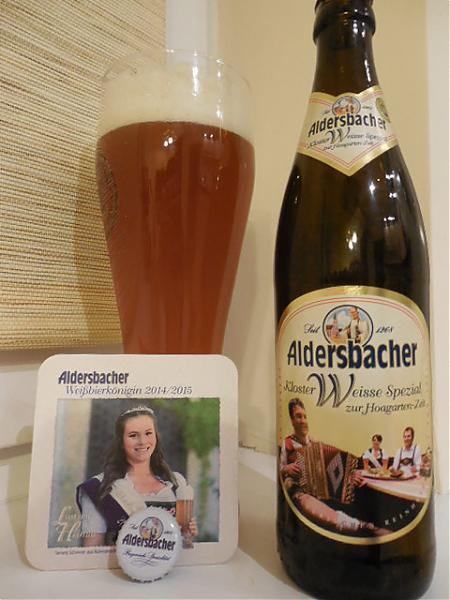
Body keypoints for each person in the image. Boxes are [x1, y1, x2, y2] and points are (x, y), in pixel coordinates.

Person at [76, 405, 197, 546]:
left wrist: (187, 535)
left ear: (156, 436)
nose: (142, 441)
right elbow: (92, 551)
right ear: (121, 442)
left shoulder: (176, 482)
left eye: (148, 433)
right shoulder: (100, 487)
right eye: (133, 435)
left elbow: (182, 545)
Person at [280, 398, 389, 536]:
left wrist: (350, 474)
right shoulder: (288, 444)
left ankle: (371, 527)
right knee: (307, 501)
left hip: (318, 492)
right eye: (298, 416)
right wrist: (286, 468)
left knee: (362, 490)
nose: (303, 421)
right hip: (299, 491)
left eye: (305, 416)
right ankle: (361, 526)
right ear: (291, 420)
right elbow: (281, 468)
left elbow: (331, 468)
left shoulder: (315, 443)